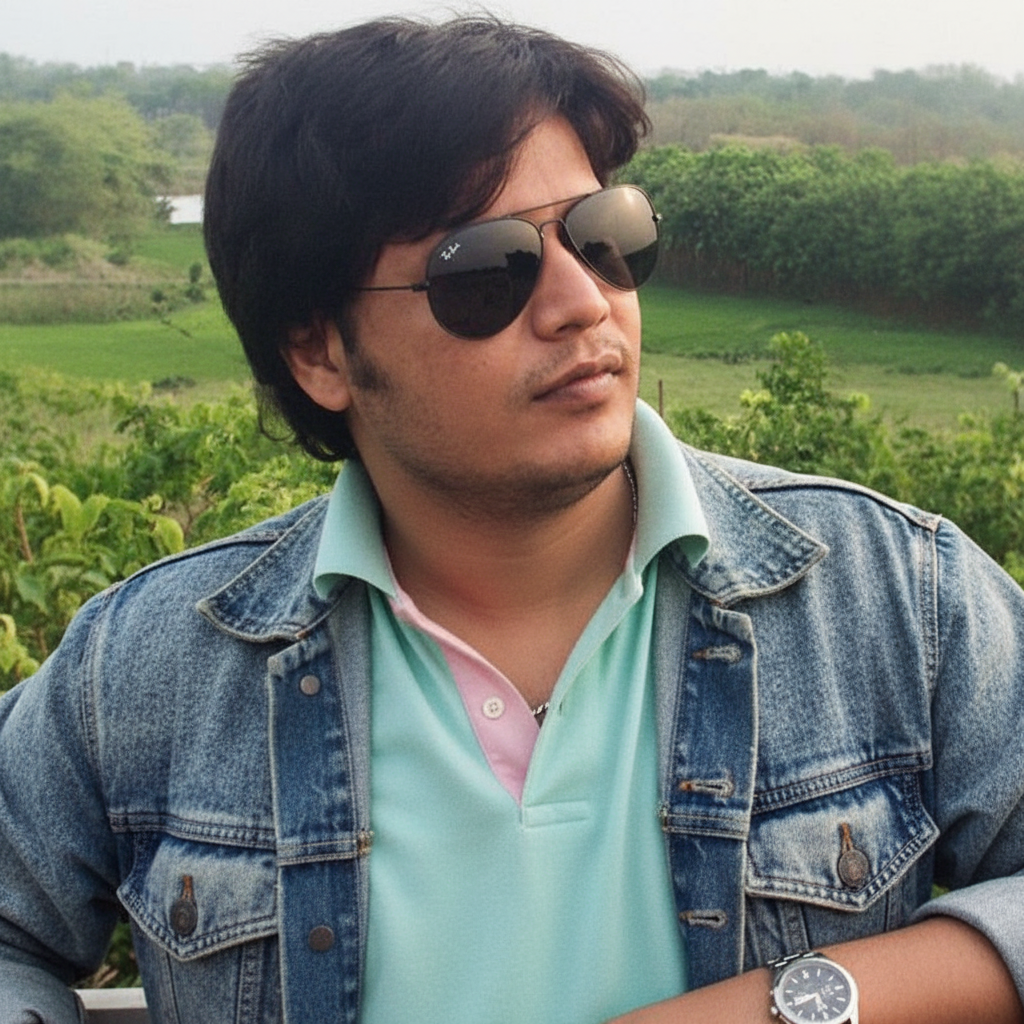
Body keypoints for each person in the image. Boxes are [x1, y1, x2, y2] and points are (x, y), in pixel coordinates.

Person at [1, 15, 1023, 1024]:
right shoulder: (146, 667)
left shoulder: (894, 594)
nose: (584, 302)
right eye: (485, 271)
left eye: (603, 236)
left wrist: (784, 1006)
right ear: (318, 352)